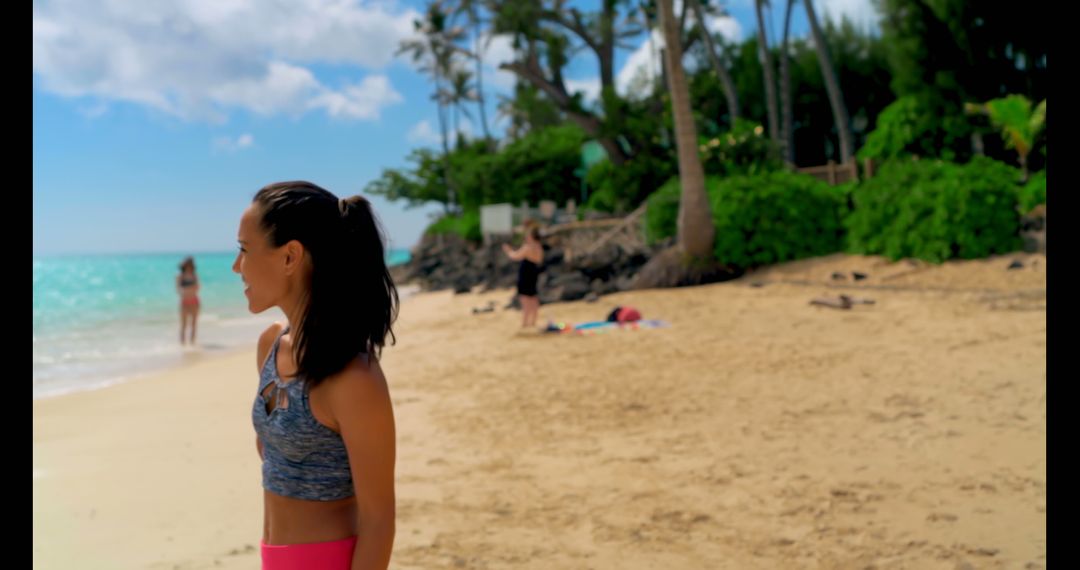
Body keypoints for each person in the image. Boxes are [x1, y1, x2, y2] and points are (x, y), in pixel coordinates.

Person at [232, 181, 398, 570]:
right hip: (273, 557)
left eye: (243, 249)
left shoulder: (354, 378)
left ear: (290, 256)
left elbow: (379, 519)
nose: (236, 266)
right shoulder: (271, 346)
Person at [502, 223, 544, 328]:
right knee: (533, 297)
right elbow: (539, 260)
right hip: (534, 273)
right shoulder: (539, 248)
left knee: (525, 299)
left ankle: (525, 323)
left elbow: (515, 256)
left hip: (525, 274)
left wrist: (508, 250)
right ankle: (533, 322)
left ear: (531, 236)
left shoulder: (527, 247)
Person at [177, 256, 200, 345]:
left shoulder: (194, 276)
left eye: (190, 265)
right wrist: (190, 289)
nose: (188, 267)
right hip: (184, 303)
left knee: (194, 324)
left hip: (194, 301)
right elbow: (178, 290)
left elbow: (197, 288)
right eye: (187, 265)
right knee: (183, 325)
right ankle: (182, 344)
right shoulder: (180, 276)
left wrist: (187, 289)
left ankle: (192, 343)